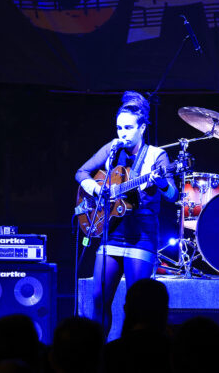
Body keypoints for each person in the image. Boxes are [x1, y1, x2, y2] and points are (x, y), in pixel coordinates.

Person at [75, 91, 178, 337]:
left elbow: (173, 194)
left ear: (142, 128)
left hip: (141, 235)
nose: (123, 133)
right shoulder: (112, 149)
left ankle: (133, 351)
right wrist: (97, 190)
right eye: (119, 127)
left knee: (137, 304)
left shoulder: (156, 155)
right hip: (111, 232)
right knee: (99, 299)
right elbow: (81, 172)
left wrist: (161, 183)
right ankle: (98, 351)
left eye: (129, 128)